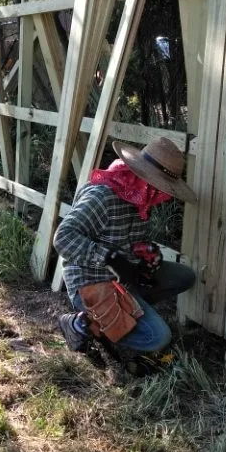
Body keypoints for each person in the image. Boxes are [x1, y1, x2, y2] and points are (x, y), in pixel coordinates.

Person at [52, 136, 197, 361]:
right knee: (157, 338)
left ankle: (128, 311)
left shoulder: (141, 198)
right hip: (91, 280)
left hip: (123, 279)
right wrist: (111, 258)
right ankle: (81, 323)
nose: (162, 193)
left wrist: (146, 255)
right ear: (141, 175)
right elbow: (63, 237)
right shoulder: (103, 196)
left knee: (184, 276)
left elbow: (131, 240)